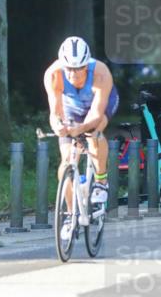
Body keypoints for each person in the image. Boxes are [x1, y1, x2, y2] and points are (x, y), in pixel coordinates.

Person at [43, 36, 119, 212]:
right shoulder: (53, 74)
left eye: (78, 68)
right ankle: (71, 213)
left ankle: (101, 181)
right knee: (66, 162)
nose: (72, 74)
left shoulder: (101, 73)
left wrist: (81, 128)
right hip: (71, 108)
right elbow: (55, 112)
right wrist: (58, 126)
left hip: (99, 105)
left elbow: (96, 114)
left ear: (86, 65)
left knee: (94, 133)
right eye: (68, 68)